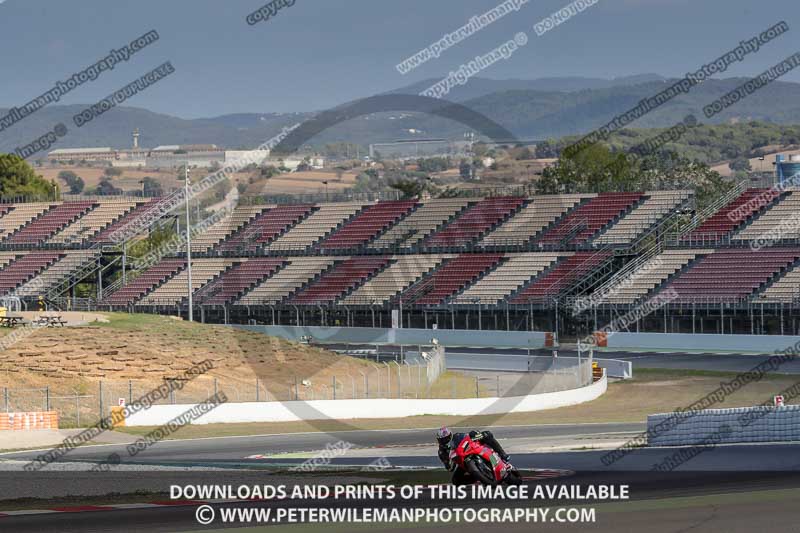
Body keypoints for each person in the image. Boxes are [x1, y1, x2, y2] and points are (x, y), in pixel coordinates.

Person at [436, 426, 511, 484]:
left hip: (470, 450)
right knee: (455, 480)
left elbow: (468, 436)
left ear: (450, 436)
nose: (444, 441)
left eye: (446, 438)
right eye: (442, 440)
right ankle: (478, 477)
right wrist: (448, 461)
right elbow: (450, 468)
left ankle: (503, 455)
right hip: (462, 461)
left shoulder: (457, 436)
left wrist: (475, 434)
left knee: (487, 434)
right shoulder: (442, 452)